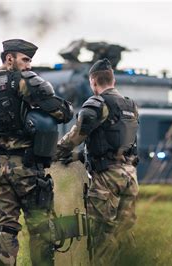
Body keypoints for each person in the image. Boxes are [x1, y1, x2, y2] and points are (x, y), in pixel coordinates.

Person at [0, 39, 73, 266]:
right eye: (25, 60)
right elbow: (63, 113)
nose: (29, 65)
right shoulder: (22, 82)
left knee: (4, 227)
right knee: (41, 227)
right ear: (9, 59)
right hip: (26, 167)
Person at [55, 58, 139, 265]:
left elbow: (76, 136)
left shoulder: (98, 103)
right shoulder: (130, 105)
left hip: (106, 179)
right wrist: (80, 156)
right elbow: (114, 141)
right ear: (113, 80)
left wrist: (54, 152)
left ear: (93, 82)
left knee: (102, 234)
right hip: (129, 176)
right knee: (124, 231)